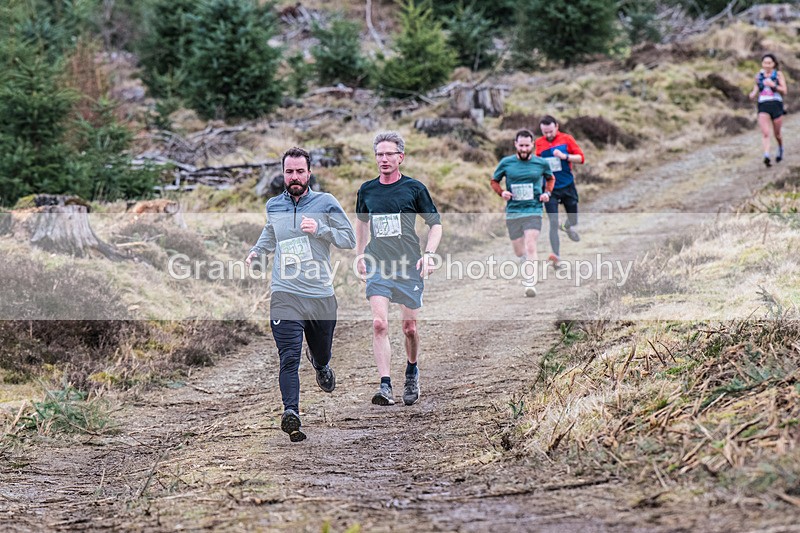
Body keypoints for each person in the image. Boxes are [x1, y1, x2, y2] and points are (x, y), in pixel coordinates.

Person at [246, 147, 355, 442]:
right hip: (285, 292)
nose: (294, 177)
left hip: (320, 294)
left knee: (321, 352)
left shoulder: (326, 202)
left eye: (299, 171)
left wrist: (320, 228)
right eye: (289, 172)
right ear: (283, 173)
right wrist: (258, 251)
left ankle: (320, 365)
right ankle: (290, 412)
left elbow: (349, 238)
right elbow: (271, 232)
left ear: (309, 173)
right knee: (288, 356)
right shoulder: (273, 205)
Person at [355, 131, 442, 407]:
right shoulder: (367, 190)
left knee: (409, 328)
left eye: (389, 154)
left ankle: (411, 370)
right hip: (378, 264)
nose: (383, 159)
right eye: (379, 154)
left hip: (408, 266)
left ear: (400, 157)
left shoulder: (414, 189)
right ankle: (385, 385)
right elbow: (362, 222)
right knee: (379, 323)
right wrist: (360, 255)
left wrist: (429, 255)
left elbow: (435, 224)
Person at [492, 129, 555, 297]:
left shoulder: (541, 163)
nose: (524, 149)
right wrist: (501, 192)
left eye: (527, 145)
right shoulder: (506, 163)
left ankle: (530, 282)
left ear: (532, 145)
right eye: (521, 145)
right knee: (520, 251)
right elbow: (494, 181)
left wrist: (546, 193)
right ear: (515, 145)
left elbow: (550, 179)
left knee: (531, 245)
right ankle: (525, 261)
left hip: (533, 209)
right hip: (513, 211)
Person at [534, 115, 585, 269]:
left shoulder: (566, 139)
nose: (548, 135)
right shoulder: (539, 143)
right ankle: (556, 257)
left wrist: (565, 156)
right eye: (545, 132)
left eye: (550, 131)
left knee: (573, 219)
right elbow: (535, 163)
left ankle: (568, 227)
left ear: (556, 126)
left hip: (567, 185)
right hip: (550, 189)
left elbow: (581, 158)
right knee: (553, 222)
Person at [749, 53, 788, 167]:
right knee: (765, 133)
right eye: (765, 63)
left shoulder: (778, 75)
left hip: (776, 104)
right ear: (762, 64)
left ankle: (780, 148)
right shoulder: (759, 75)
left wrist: (773, 85)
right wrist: (753, 94)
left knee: (777, 134)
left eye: (769, 63)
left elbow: (784, 91)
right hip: (763, 105)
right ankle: (766, 155)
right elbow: (756, 88)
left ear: (774, 64)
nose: (767, 65)